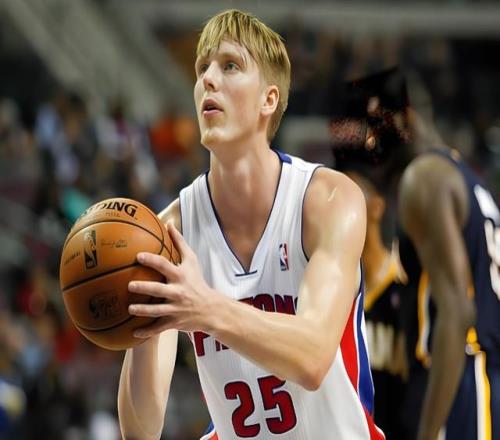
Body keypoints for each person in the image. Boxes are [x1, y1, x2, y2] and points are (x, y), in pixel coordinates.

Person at [118, 9, 384, 440]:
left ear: (268, 100)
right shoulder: (169, 232)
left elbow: (313, 358)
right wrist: (143, 322)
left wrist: (206, 308)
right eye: (202, 68)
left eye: (230, 66)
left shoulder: (327, 200)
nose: (208, 79)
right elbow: (141, 430)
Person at [332, 67, 499, 440]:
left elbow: (457, 312)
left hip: (463, 381)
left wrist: (427, 433)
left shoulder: (423, 179)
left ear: (403, 118)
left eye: (375, 126)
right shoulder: (462, 176)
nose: (369, 142)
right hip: (482, 377)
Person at [333, 151, 407, 439]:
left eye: (348, 196)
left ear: (376, 207)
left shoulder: (406, 283)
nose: (336, 208)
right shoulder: (328, 290)